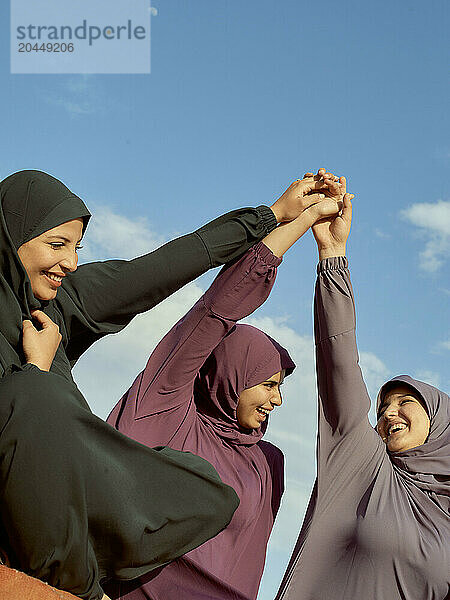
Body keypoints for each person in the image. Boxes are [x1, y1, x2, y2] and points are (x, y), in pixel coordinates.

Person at [0, 168, 333, 600]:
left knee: (209, 491)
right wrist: (37, 373)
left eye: (77, 247)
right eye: (56, 244)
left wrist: (274, 217)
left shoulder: (59, 304)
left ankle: (85, 568)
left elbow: (166, 266)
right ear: (12, 233)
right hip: (22, 497)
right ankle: (81, 584)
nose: (71, 262)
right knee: (33, 395)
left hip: (69, 495)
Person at [105, 173, 346, 600]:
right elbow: (213, 312)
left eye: (281, 386)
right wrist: (296, 222)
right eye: (267, 384)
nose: (277, 399)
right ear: (230, 376)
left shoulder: (267, 463)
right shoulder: (165, 412)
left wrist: (334, 253)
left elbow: (248, 566)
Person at [274, 184, 450, 599]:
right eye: (384, 406)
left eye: (407, 402)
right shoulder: (366, 464)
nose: (388, 413)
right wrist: (332, 256)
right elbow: (340, 363)